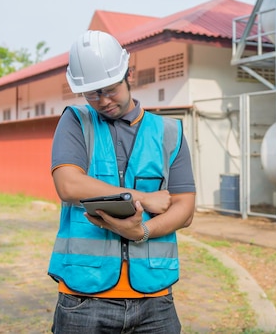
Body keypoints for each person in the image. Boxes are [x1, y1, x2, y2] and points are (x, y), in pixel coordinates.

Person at [48, 30, 196, 333]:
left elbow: (185, 208)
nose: (102, 100)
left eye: (110, 89)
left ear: (128, 74)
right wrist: (143, 197)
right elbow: (69, 185)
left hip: (154, 299)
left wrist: (142, 230)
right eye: (92, 93)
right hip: (83, 298)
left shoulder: (170, 132)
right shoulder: (76, 121)